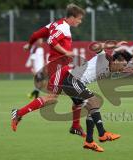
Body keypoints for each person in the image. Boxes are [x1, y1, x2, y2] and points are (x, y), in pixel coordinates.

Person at [11, 3, 86, 137]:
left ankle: (76, 126)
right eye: (79, 19)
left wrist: (29, 44)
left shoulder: (53, 25)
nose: (80, 22)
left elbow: (36, 34)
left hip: (62, 67)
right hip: (58, 66)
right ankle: (18, 113)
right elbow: (51, 40)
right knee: (52, 98)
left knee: (76, 97)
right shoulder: (63, 27)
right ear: (72, 17)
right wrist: (66, 52)